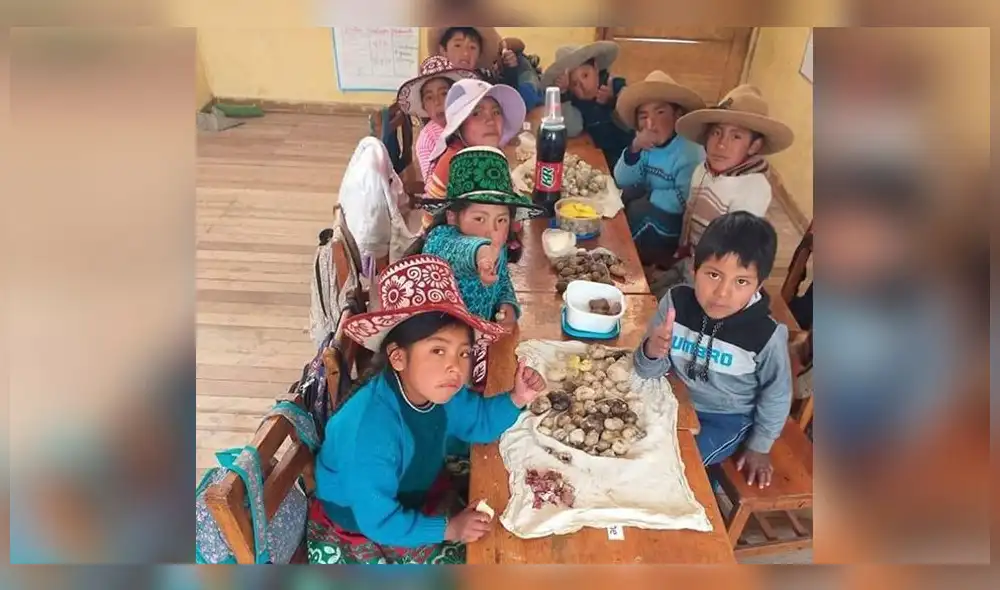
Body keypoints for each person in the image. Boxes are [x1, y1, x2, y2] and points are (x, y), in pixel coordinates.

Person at [309, 255, 547, 564]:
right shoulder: (371, 430)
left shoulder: (439, 389)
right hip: (362, 521)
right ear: (398, 358)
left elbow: (478, 422)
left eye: (463, 353)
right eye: (438, 350)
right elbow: (379, 521)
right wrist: (450, 529)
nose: (454, 367)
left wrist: (517, 397)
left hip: (410, 489)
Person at [633, 212, 791, 486]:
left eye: (741, 281)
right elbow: (647, 371)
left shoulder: (766, 335)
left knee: (679, 463)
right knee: (629, 442)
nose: (722, 293)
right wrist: (651, 351)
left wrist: (760, 446)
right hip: (672, 399)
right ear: (695, 269)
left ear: (759, 285)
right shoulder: (675, 304)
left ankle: (706, 490)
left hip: (725, 418)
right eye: (714, 275)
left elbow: (777, 395)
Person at [413, 146, 545, 390]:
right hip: (436, 356)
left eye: (501, 220)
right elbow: (460, 251)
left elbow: (502, 281)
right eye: (479, 218)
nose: (491, 231)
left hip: (477, 349)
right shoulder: (440, 241)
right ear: (452, 217)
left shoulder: (499, 248)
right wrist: (482, 254)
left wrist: (507, 304)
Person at [652, 84, 794, 293]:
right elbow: (689, 220)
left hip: (715, 279)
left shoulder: (753, 188)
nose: (721, 145)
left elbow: (734, 253)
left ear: (754, 146)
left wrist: (700, 278)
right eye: (716, 133)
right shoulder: (702, 170)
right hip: (689, 261)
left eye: (736, 137)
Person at [612, 71, 706, 266]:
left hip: (675, 224)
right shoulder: (646, 145)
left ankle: (621, 262)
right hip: (651, 205)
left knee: (641, 213)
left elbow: (685, 201)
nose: (650, 123)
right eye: (643, 116)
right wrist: (634, 149)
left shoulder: (690, 151)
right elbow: (621, 179)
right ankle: (617, 247)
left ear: (677, 115)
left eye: (660, 113)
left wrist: (650, 196)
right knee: (622, 198)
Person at [422, 78, 526, 230]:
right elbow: (429, 224)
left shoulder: (494, 154)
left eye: (496, 112)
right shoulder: (452, 162)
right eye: (476, 113)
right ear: (459, 125)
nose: (490, 121)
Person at [540, 41, 630, 170]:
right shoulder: (575, 102)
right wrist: (563, 95)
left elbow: (631, 120)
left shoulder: (614, 85)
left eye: (585, 75)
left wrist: (613, 101)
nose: (583, 85)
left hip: (626, 160)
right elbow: (572, 129)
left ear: (596, 68)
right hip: (598, 160)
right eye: (575, 84)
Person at [397, 55, 479, 182]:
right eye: (429, 97)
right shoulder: (426, 140)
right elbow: (431, 184)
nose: (437, 102)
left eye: (444, 93)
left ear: (457, 96)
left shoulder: (471, 122)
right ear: (424, 107)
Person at [426, 27, 542, 109]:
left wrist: (511, 71)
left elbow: (507, 103)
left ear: (479, 54)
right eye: (457, 45)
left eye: (472, 47)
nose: (465, 53)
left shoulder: (485, 81)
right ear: (443, 51)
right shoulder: (435, 83)